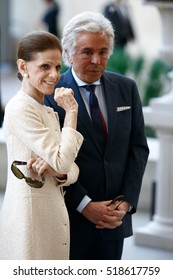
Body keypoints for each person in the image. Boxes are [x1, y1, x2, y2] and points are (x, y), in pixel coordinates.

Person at [44, 11, 149, 260]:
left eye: (103, 52)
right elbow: (47, 157)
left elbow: (138, 149)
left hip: (114, 222)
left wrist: (125, 203)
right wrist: (84, 205)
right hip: (69, 221)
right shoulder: (49, 93)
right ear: (68, 54)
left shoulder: (127, 89)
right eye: (87, 52)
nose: (96, 60)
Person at [0, 30, 83, 260]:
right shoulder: (20, 108)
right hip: (30, 222)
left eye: (57, 67)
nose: (54, 74)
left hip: (50, 219)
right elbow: (64, 160)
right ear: (23, 67)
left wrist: (58, 171)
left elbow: (71, 168)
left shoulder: (46, 111)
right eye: (45, 66)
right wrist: (72, 112)